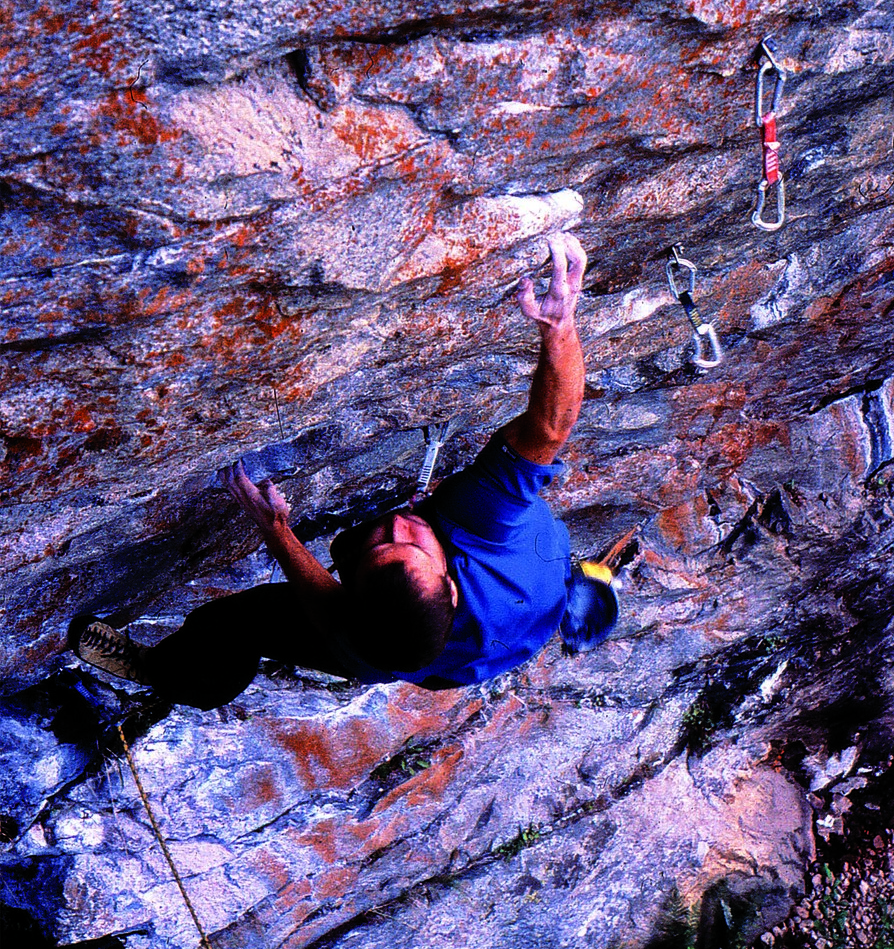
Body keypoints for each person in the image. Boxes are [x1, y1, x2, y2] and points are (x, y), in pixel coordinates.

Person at [70, 233, 619, 707]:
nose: (398, 524)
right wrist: (559, 326)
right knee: (530, 557)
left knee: (244, 621)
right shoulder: (492, 523)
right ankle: (574, 590)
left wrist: (277, 530)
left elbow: (330, 610)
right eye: (407, 543)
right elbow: (550, 427)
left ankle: (166, 674)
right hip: (522, 597)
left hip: (448, 652)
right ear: (450, 585)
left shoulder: (371, 645)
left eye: (388, 545)